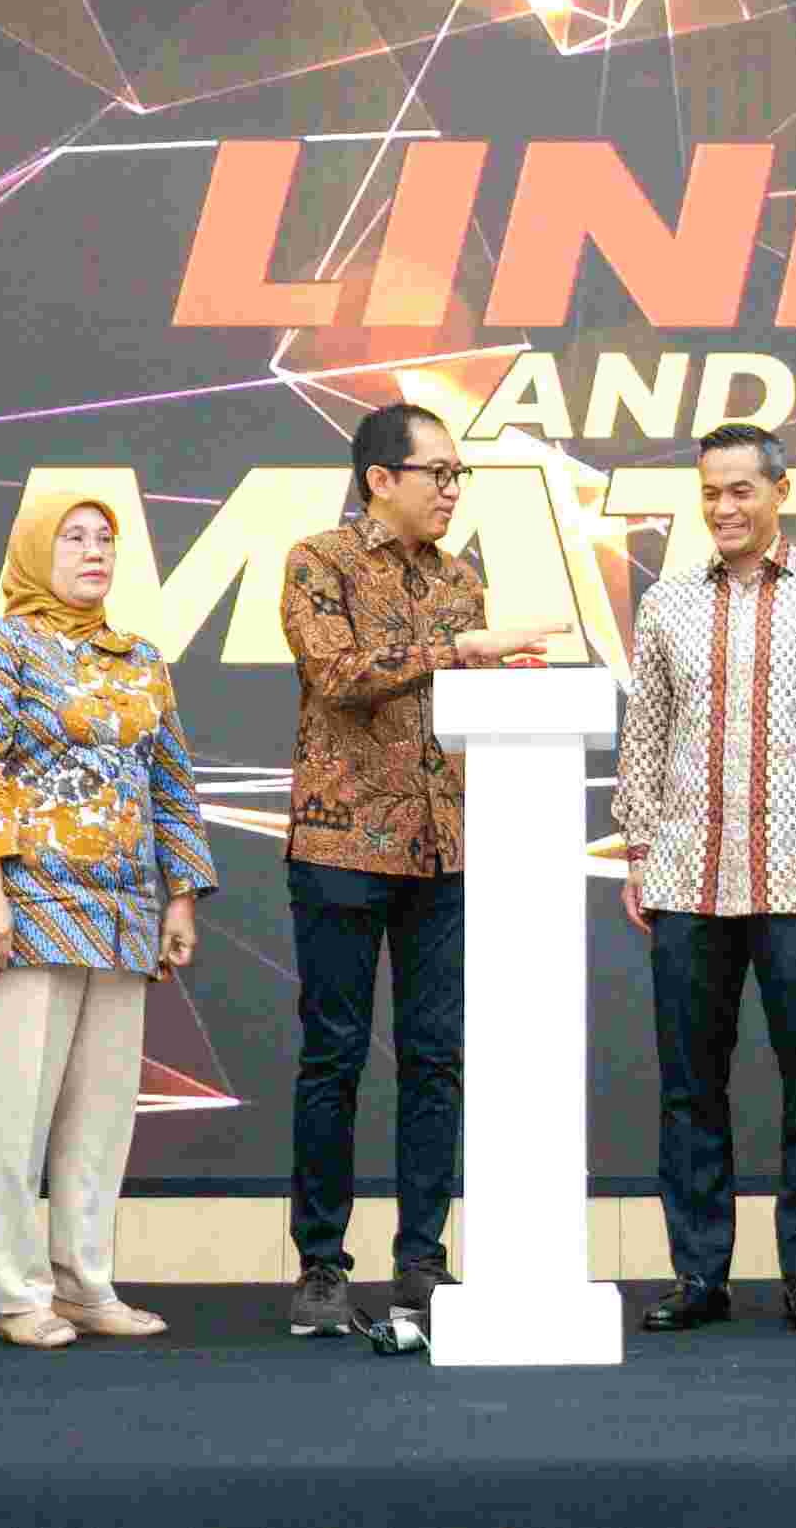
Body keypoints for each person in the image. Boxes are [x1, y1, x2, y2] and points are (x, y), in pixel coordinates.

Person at [276, 403, 559, 1339]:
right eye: (437, 472)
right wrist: (457, 650)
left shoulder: (460, 577)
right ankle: (322, 1264)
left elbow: (459, 698)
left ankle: (422, 1261)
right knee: (335, 1056)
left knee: (436, 1058)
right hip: (342, 845)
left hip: (444, 848)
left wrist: (502, 684)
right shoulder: (318, 561)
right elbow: (336, 674)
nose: (451, 488)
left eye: (457, 474)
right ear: (380, 479)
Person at [616, 424, 796, 1335]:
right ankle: (699, 1276)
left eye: (741, 489)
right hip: (686, 873)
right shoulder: (666, 602)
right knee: (689, 1085)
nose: (724, 507)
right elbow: (645, 734)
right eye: (710, 491)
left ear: (782, 491)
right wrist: (637, 849)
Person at [0, 489, 218, 1350]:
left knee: (100, 1118)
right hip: (25, 912)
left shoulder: (141, 659)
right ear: (34, 550)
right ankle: (19, 1293)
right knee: (14, 1116)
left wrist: (181, 894)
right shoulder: (0, 648)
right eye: (73, 537)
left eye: (106, 538)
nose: (94, 551)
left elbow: (170, 780)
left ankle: (85, 1282)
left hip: (122, 919)